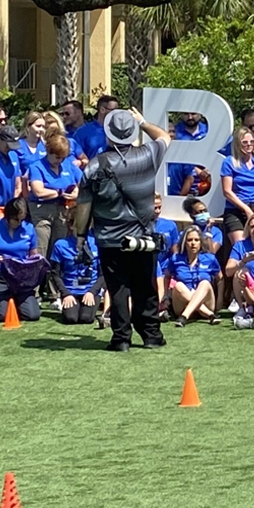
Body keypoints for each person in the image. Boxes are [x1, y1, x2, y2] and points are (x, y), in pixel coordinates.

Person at [75, 107, 170, 352]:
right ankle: (151, 335)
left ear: (108, 135)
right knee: (145, 287)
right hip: (143, 237)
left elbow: (83, 206)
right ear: (132, 133)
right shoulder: (148, 155)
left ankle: (121, 339)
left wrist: (80, 235)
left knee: (117, 289)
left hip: (110, 239)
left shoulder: (94, 166)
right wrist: (143, 122)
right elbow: (164, 137)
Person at [28, 133, 81, 290]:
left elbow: (82, 181)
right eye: (57, 157)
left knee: (57, 250)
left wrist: (76, 191)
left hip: (62, 211)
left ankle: (54, 290)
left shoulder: (67, 165)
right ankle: (34, 290)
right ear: (49, 152)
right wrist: (59, 192)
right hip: (41, 210)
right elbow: (38, 191)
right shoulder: (36, 166)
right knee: (40, 250)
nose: (60, 161)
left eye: (63, 157)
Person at [0, 197, 40, 321]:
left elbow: (34, 255)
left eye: (22, 219)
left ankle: (16, 300)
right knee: (2, 316)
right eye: (16, 219)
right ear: (8, 215)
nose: (19, 223)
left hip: (20, 278)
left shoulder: (29, 228)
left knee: (32, 315)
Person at [221, 127, 254, 246]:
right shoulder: (229, 162)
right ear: (238, 144)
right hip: (236, 208)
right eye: (245, 142)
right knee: (240, 245)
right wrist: (245, 209)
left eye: (252, 142)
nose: (249, 145)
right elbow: (227, 191)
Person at [49, 215, 103, 325]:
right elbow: (55, 274)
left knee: (86, 318)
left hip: (90, 289)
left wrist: (92, 292)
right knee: (71, 319)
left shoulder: (97, 243)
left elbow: (103, 274)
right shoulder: (61, 245)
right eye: (79, 225)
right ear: (71, 226)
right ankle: (67, 303)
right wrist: (66, 294)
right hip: (70, 289)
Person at [169, 225, 222, 327]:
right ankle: (210, 315)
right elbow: (166, 277)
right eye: (189, 240)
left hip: (206, 301)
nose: (193, 243)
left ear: (201, 242)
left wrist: (220, 301)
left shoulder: (210, 258)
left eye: (196, 240)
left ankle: (184, 317)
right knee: (178, 285)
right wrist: (166, 297)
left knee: (205, 283)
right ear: (184, 242)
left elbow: (220, 279)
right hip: (182, 304)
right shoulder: (176, 259)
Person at [227, 212, 254, 318]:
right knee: (239, 272)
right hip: (247, 282)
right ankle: (241, 308)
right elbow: (228, 271)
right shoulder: (240, 245)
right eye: (252, 226)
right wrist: (243, 261)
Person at [73, 95, 120, 159]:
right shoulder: (83, 132)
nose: (117, 113)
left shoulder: (121, 130)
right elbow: (74, 154)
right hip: (93, 168)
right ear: (102, 109)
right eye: (114, 110)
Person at [18, 112, 47, 180]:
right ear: (28, 126)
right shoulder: (18, 146)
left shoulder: (46, 146)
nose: (41, 130)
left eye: (43, 127)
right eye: (38, 126)